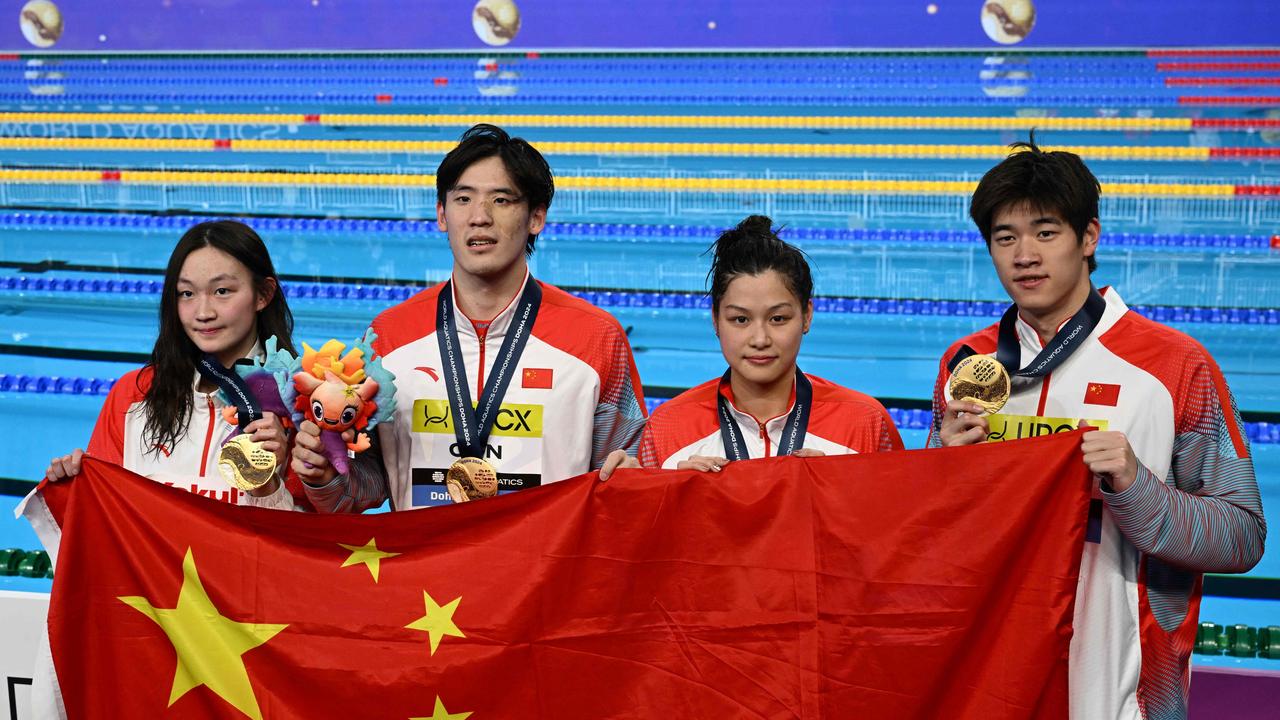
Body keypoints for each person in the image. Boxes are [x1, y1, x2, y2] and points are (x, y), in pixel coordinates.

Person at [929, 139, 1265, 719]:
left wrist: (1135, 484)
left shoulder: (1175, 366)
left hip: (1121, 694)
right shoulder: (967, 364)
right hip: (992, 681)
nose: (1024, 255)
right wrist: (942, 474)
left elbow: (1240, 537)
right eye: (1005, 238)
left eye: (1046, 232)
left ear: (1089, 238)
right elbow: (931, 540)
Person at [291, 124, 647, 511]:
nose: (480, 217)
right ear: (442, 214)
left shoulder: (595, 336)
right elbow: (370, 483)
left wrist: (634, 474)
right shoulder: (389, 335)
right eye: (463, 199)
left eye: (502, 200)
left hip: (544, 567)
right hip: (427, 566)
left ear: (536, 218)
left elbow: (627, 472)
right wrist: (326, 477)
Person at [43, 220, 301, 509]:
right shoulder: (135, 394)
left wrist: (267, 484)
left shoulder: (300, 405)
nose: (203, 313)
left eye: (222, 291)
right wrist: (72, 491)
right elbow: (106, 520)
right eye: (187, 294)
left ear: (263, 295)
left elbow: (302, 545)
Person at [636, 215, 902, 470]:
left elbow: (899, 514)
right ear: (715, 319)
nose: (760, 339)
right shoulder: (667, 428)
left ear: (806, 316)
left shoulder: (865, 422)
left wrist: (839, 492)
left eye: (778, 318)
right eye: (740, 319)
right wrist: (676, 495)